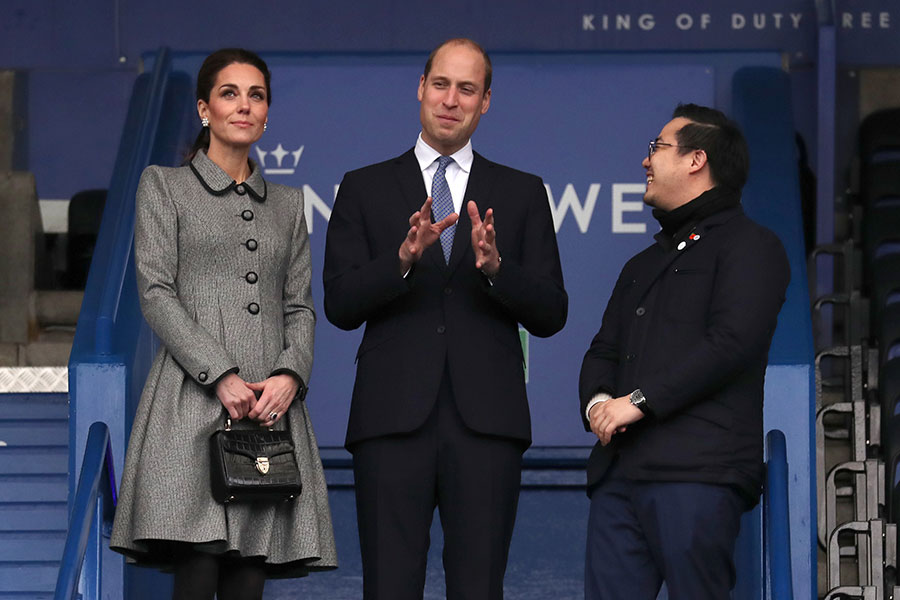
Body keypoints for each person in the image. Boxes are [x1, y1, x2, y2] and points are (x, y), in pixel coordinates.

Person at [323, 38, 567, 599]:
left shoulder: (522, 191)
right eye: (440, 85)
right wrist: (402, 260)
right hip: (389, 420)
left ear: (486, 102)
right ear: (420, 89)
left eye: (467, 89)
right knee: (388, 586)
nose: (450, 100)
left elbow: (552, 312)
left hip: (488, 423)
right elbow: (339, 304)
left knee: (479, 587)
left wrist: (496, 269)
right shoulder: (365, 186)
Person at [110, 48, 337, 600]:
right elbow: (156, 293)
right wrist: (221, 375)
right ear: (204, 109)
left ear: (266, 113)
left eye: (256, 95)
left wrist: (289, 376)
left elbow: (300, 307)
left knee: (249, 574)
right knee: (198, 567)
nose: (244, 105)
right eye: (230, 93)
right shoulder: (164, 186)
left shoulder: (287, 204)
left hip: (267, 409)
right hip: (191, 402)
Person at [578, 104, 790, 600]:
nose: (645, 162)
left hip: (699, 474)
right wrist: (598, 406)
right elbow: (603, 349)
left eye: (657, 148)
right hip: (619, 475)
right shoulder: (642, 262)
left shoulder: (752, 247)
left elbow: (731, 343)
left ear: (697, 159)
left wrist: (638, 401)